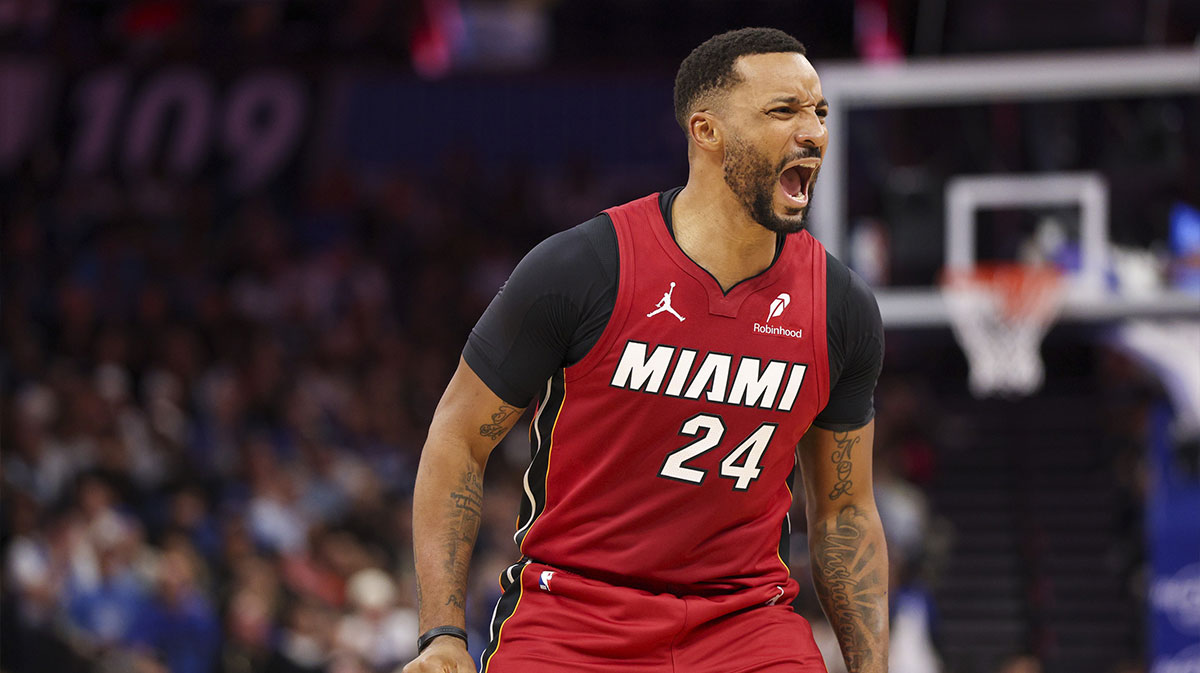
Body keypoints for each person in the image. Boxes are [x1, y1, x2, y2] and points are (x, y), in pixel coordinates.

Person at [405, 27, 888, 673]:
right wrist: (441, 634)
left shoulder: (840, 307)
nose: (814, 133)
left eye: (819, 112)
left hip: (745, 625)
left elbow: (845, 511)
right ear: (706, 131)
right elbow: (458, 437)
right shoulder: (583, 267)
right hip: (574, 614)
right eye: (784, 111)